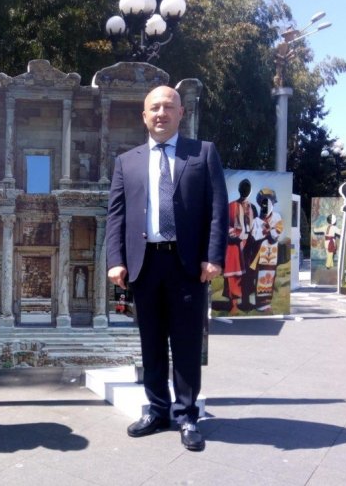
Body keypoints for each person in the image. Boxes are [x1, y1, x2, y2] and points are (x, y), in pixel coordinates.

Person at [106, 86, 228, 451]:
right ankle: (157, 410)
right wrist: (115, 260)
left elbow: (218, 210)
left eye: (168, 107)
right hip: (145, 264)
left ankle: (187, 416)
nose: (161, 113)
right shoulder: (126, 162)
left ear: (181, 113)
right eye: (154, 108)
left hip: (187, 265)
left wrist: (213, 256)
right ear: (144, 116)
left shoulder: (203, 153)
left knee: (187, 342)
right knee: (152, 341)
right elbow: (116, 216)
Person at [222, 179, 257, 314]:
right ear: (239, 189)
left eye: (247, 188)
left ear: (250, 191)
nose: (245, 190)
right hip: (235, 245)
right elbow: (225, 225)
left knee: (249, 274)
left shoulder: (253, 208)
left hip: (250, 245)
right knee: (234, 275)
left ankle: (246, 302)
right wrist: (234, 235)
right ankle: (234, 305)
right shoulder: (231, 206)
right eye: (244, 187)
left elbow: (256, 226)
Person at [247, 188, 283, 312]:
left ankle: (267, 302)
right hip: (260, 253)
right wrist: (265, 231)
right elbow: (255, 235)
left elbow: (277, 232)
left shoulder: (277, 217)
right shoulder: (256, 221)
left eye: (269, 202)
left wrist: (269, 231)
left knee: (270, 276)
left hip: (272, 253)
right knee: (260, 276)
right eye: (264, 202)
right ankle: (260, 303)